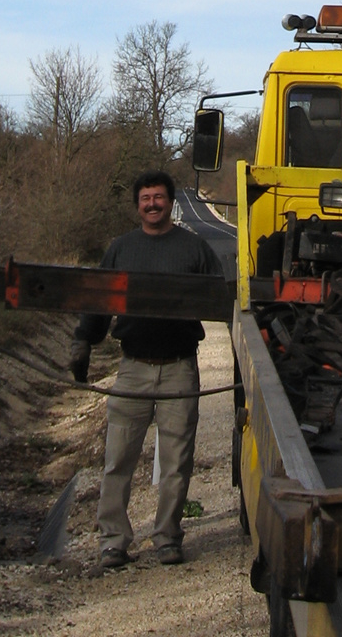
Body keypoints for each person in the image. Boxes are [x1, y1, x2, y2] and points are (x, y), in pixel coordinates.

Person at [70, 169, 223, 568]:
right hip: (133, 368)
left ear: (170, 202)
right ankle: (113, 542)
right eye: (145, 198)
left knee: (176, 462)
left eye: (159, 197)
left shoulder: (194, 248)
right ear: (137, 205)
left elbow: (219, 298)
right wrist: (84, 340)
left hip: (179, 368)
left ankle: (168, 537)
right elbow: (100, 299)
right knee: (118, 458)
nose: (152, 204)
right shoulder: (121, 248)